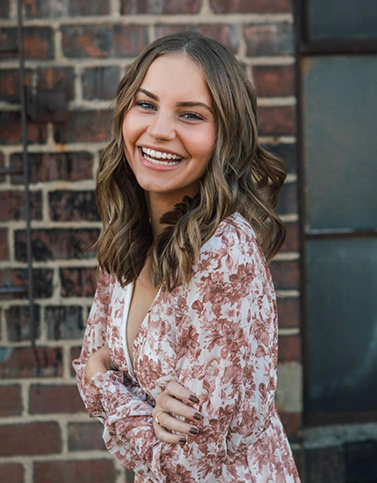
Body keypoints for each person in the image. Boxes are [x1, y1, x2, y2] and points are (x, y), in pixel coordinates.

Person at [73, 31, 301, 482]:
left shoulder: (225, 255)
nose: (160, 129)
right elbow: (88, 357)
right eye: (146, 104)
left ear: (225, 135)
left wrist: (106, 389)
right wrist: (144, 414)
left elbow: (186, 462)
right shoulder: (125, 234)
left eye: (191, 115)